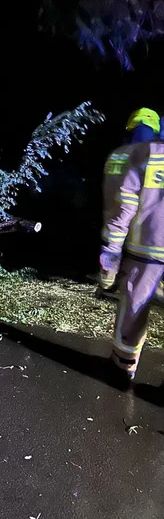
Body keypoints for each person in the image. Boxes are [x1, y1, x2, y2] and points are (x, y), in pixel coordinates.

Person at [99, 133, 164, 382]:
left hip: (146, 250)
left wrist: (112, 248)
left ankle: (123, 366)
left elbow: (125, 203)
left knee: (134, 308)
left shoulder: (145, 154)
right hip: (148, 250)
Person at [98, 107, 160, 298]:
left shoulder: (116, 154)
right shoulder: (150, 156)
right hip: (142, 238)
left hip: (117, 231)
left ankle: (108, 280)